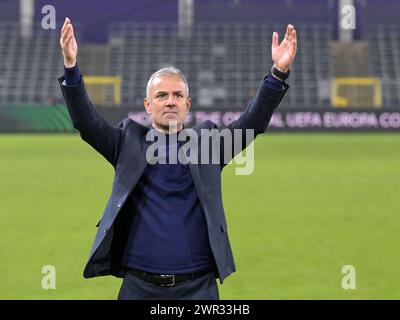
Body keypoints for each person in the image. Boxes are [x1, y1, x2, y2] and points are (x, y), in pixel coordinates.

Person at [59, 17, 297, 300]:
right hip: (139, 287)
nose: (170, 101)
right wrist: (71, 68)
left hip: (198, 288)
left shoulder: (209, 144)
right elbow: (86, 123)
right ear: (148, 105)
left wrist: (278, 73)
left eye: (177, 95)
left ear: (187, 104)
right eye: (161, 95)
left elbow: (252, 122)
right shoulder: (126, 142)